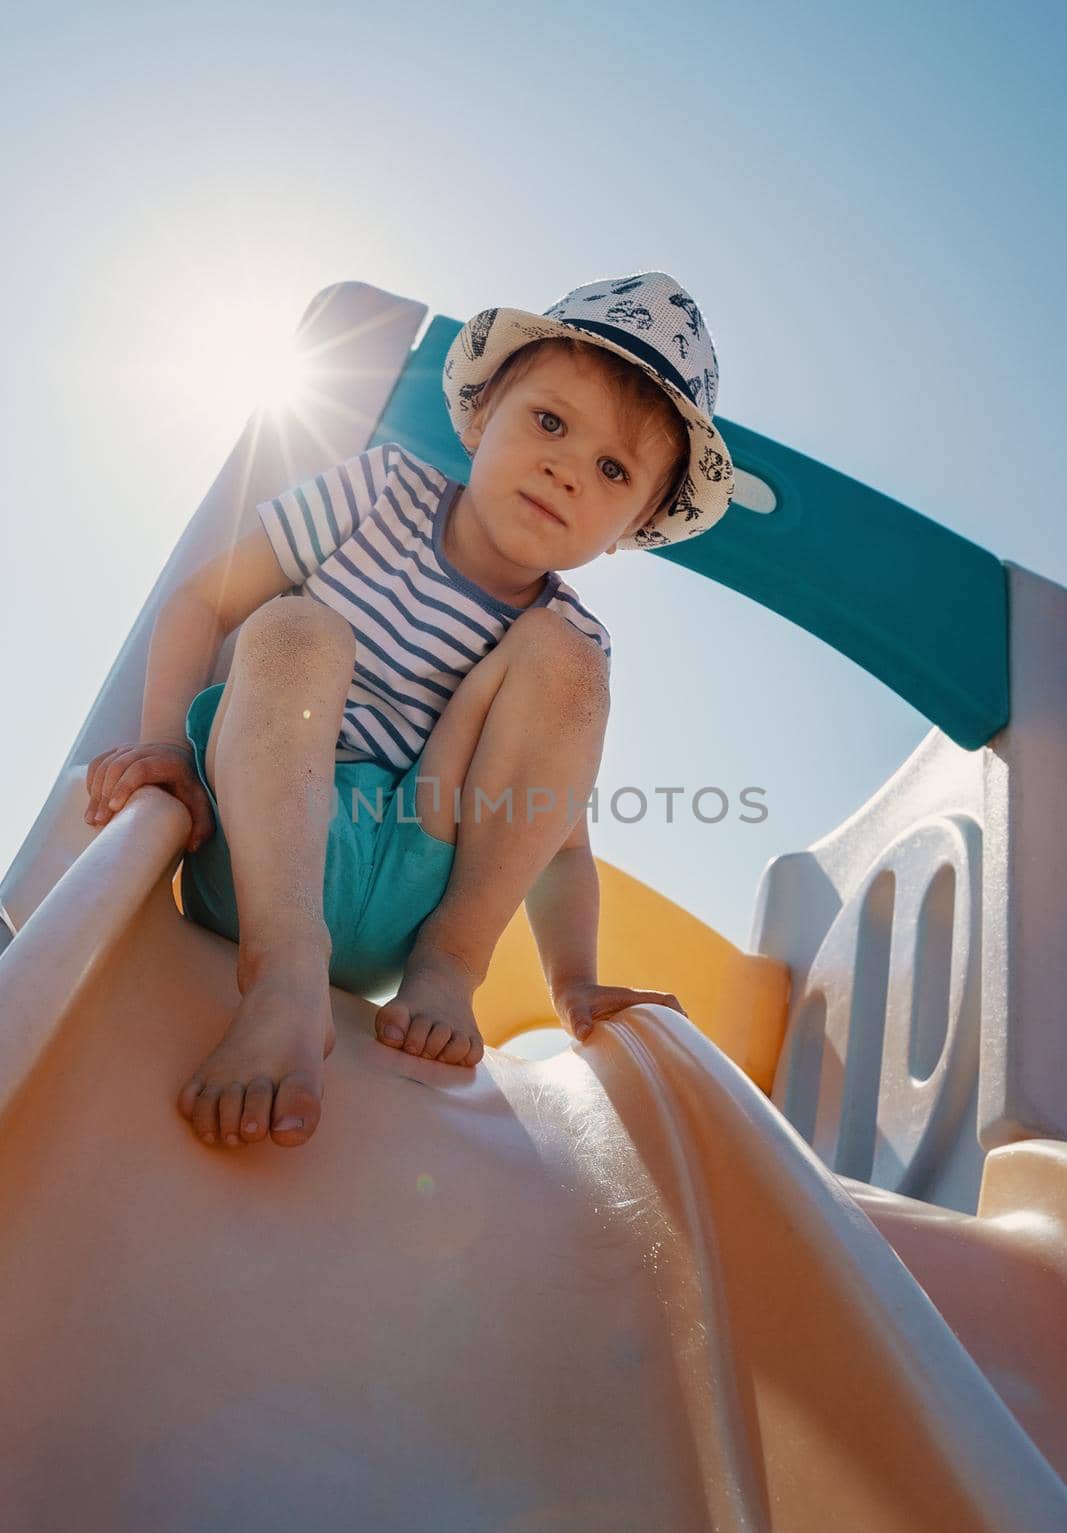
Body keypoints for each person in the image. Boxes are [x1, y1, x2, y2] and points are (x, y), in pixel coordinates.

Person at [82, 269, 735, 1150]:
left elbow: (558, 834)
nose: (564, 470)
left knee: (567, 663)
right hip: (267, 831)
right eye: (549, 421)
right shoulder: (379, 492)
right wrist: (162, 743)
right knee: (297, 625)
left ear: (631, 526)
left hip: (418, 889)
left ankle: (449, 970)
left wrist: (574, 982)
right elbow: (201, 602)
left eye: (612, 469)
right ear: (484, 412)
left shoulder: (567, 639)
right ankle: (283, 974)